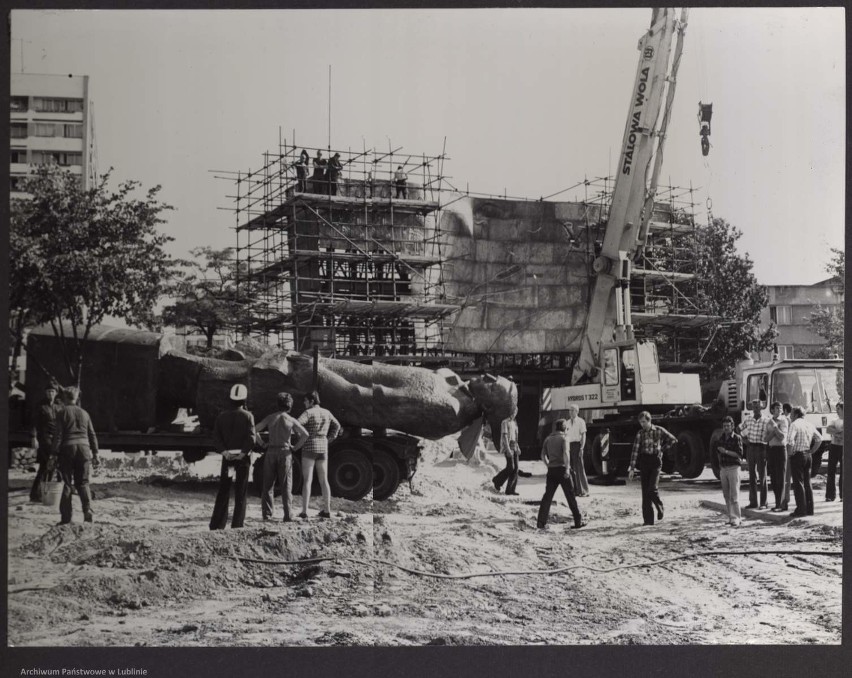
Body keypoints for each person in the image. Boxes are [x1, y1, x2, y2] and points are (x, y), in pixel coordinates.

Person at [209, 384, 257, 530]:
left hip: (228, 457)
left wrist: (225, 453)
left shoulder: (221, 416)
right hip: (242, 459)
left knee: (224, 490)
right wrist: (242, 454)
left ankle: (217, 524)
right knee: (240, 491)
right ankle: (237, 524)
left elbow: (216, 438)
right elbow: (251, 439)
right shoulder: (248, 416)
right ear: (244, 399)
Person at [255, 392, 309, 522]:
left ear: (278, 404)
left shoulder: (270, 418)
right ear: (289, 405)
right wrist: (295, 447)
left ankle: (267, 515)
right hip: (285, 452)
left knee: (267, 485)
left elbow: (254, 429)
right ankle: (288, 515)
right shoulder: (290, 420)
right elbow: (305, 434)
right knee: (286, 485)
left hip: (271, 452)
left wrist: (262, 443)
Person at [51, 386, 99, 525]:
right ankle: (87, 510)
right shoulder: (85, 413)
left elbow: (58, 436)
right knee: (83, 482)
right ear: (76, 398)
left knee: (66, 483)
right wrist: (95, 453)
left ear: (65, 398)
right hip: (84, 449)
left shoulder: (62, 412)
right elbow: (92, 434)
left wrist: (53, 455)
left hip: (68, 448)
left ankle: (66, 518)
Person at [627, 411, 677, 526]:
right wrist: (632, 468)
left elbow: (673, 439)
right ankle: (648, 521)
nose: (642, 424)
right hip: (644, 461)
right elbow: (635, 451)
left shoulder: (659, 430)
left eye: (644, 422)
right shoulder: (640, 433)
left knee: (652, 488)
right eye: (640, 422)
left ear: (649, 421)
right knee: (645, 493)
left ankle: (660, 507)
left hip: (655, 462)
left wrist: (663, 449)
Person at [297, 391, 341, 519]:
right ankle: (327, 511)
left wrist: (300, 436)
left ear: (311, 401)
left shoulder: (308, 413)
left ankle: (304, 511)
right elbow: (337, 425)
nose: (304, 403)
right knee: (324, 480)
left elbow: (298, 423)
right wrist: (330, 438)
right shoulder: (327, 412)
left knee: (307, 480)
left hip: (309, 446)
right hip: (323, 446)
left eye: (306, 400)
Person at [536, 419, 586, 529]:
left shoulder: (548, 439)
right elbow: (566, 453)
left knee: (547, 497)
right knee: (570, 496)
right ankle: (578, 521)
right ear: (563, 428)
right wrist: (567, 469)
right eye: (566, 428)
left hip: (551, 470)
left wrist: (548, 464)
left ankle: (540, 522)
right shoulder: (564, 438)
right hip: (562, 470)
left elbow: (542, 455)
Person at [786, 406, 822, 517]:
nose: (790, 416)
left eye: (792, 414)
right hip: (807, 455)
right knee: (807, 482)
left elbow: (790, 440)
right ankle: (810, 509)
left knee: (798, 483)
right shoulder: (809, 424)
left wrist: (790, 453)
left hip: (797, 455)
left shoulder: (794, 424)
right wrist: (812, 451)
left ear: (796, 414)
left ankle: (801, 509)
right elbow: (819, 438)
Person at [29, 383, 61, 503]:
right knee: (49, 463)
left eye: (52, 391)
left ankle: (36, 494)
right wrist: (33, 437)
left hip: (56, 438)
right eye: (48, 392)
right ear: (45, 393)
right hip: (44, 438)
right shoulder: (40, 406)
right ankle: (38, 493)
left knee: (45, 465)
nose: (50, 394)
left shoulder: (59, 406)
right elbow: (33, 423)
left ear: (56, 393)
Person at [738, 399, 771, 509]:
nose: (756, 409)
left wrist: (767, 444)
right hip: (751, 448)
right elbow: (739, 428)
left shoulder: (766, 420)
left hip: (761, 448)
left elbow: (771, 432)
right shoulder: (748, 420)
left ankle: (763, 503)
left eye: (758, 407)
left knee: (762, 476)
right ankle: (753, 502)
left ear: (761, 407)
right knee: (752, 475)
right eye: (754, 407)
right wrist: (743, 439)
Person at [714, 416, 744, 526]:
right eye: (724, 426)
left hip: (733, 468)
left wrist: (726, 451)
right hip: (724, 468)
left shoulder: (737, 438)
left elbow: (739, 455)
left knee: (734, 496)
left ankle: (737, 518)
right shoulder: (721, 438)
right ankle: (730, 517)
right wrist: (720, 466)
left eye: (728, 426)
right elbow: (718, 453)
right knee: (726, 495)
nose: (726, 428)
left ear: (732, 426)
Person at [766, 401, 789, 512]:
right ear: (772, 410)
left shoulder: (784, 420)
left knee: (781, 477)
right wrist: (775, 431)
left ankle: (781, 505)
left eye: (780, 408)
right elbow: (765, 439)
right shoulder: (769, 422)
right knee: (774, 478)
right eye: (777, 408)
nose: (780, 410)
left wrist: (775, 427)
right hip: (771, 450)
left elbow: (782, 437)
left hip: (780, 450)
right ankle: (777, 503)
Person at [491, 406, 520, 495]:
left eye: (515, 411)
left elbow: (515, 436)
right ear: (509, 412)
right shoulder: (505, 422)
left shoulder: (514, 423)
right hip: (508, 446)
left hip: (514, 445)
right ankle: (497, 480)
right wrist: (507, 449)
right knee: (510, 467)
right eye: (513, 411)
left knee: (516, 469)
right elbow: (504, 436)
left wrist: (518, 447)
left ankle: (510, 490)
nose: (514, 413)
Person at [565, 404, 590, 496]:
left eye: (572, 410)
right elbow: (565, 436)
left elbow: (583, 435)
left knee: (579, 468)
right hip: (569, 446)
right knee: (571, 468)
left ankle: (584, 490)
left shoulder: (581, 422)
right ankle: (575, 490)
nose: (570, 412)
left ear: (577, 411)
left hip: (577, 445)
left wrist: (581, 448)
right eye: (569, 410)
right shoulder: (567, 422)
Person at [825, 402, 843, 502]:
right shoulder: (834, 420)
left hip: (844, 447)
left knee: (843, 472)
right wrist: (839, 433)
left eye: (838, 409)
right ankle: (830, 495)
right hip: (834, 446)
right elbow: (828, 430)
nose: (837, 411)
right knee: (831, 471)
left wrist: (835, 432)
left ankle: (843, 495)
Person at [780, 402, 793, 510]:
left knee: (785, 477)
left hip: (786, 449)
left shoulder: (784, 419)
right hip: (793, 450)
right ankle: (786, 499)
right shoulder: (793, 420)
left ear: (784, 410)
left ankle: (784, 501)